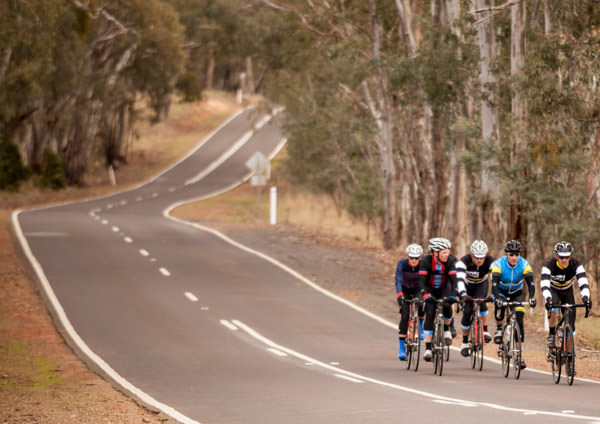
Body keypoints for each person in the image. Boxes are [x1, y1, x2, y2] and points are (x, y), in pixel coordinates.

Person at [540, 241, 591, 376]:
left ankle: (569, 359)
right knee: (554, 307)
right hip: (553, 290)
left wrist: (586, 298)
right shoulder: (548, 265)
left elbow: (583, 282)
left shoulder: (576, 264)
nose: (564, 260)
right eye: (561, 257)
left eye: (567, 257)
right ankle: (552, 333)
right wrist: (548, 298)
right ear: (556, 256)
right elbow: (544, 284)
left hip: (567, 291)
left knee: (571, 327)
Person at [491, 240, 536, 369]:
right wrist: (498, 297)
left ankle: (519, 356)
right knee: (500, 308)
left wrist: (532, 297)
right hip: (501, 290)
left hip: (517, 291)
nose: (514, 257)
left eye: (517, 254)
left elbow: (531, 283)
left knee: (520, 319)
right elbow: (494, 284)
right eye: (511, 255)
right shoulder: (498, 264)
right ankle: (499, 330)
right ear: (506, 254)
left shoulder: (524, 264)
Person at [419, 237, 458, 362]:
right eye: (444, 252)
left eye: (448, 251)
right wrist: (425, 295)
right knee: (430, 313)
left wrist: (453, 295)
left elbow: (454, 280)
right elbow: (421, 282)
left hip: (444, 287)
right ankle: (428, 348)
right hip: (429, 288)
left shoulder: (450, 261)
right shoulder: (425, 261)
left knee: (447, 306)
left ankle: (446, 329)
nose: (447, 254)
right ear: (434, 253)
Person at [456, 240, 494, 357]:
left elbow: (495, 279)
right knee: (467, 311)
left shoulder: (492, 261)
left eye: (482, 257)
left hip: (481, 284)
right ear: (471, 255)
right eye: (476, 257)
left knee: (482, 302)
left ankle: (485, 330)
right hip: (467, 286)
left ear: (486, 256)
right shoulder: (463, 261)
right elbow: (460, 280)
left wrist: (493, 294)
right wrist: (463, 294)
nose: (479, 260)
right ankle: (464, 342)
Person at [394, 243, 424, 360]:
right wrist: (400, 294)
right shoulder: (402, 264)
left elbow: (425, 281)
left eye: (416, 258)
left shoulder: (422, 265)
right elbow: (398, 280)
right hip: (404, 290)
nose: (414, 260)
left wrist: (424, 293)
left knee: (421, 303)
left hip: (417, 289)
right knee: (405, 316)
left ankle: (421, 327)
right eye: (411, 257)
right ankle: (401, 348)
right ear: (408, 257)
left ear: (420, 258)